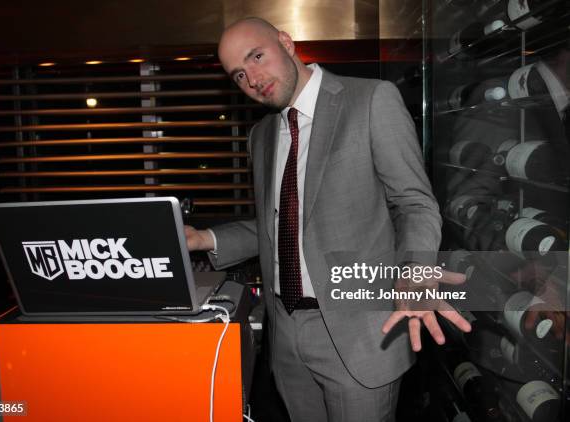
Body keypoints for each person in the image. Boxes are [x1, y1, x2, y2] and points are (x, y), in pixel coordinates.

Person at [185, 17, 471, 422]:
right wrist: (205, 239)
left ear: (286, 41)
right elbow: (280, 226)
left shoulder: (371, 99)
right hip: (285, 335)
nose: (253, 79)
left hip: (360, 331)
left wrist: (415, 269)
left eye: (257, 56)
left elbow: (415, 204)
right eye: (240, 74)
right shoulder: (261, 135)